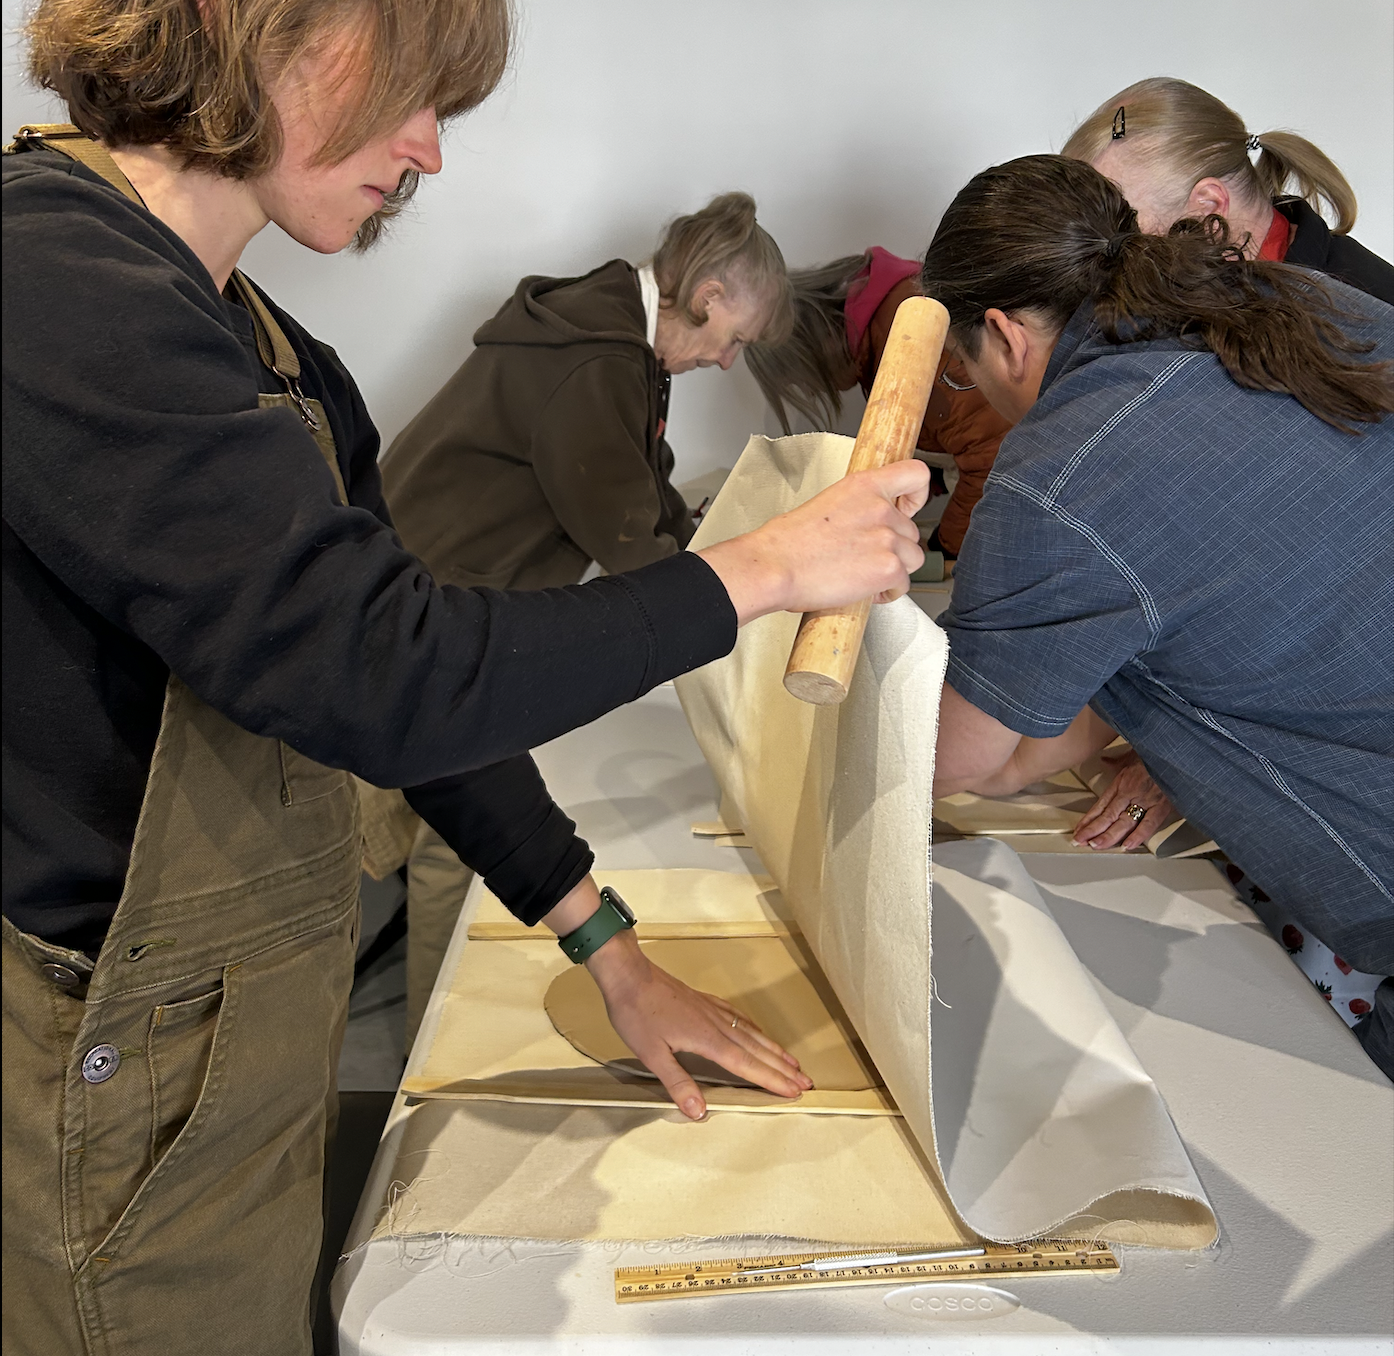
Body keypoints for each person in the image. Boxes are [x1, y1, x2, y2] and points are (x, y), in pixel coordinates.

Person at [0, 1, 930, 1350]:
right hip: (103, 1079)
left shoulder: (278, 359)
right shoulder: (49, 273)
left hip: (228, 1056)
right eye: (411, 89)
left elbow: (410, 695)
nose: (429, 150)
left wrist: (607, 949)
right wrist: (766, 570)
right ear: (252, 29)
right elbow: (386, 674)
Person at [919, 154, 1394, 1080]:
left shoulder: (1061, 471)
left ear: (1005, 336)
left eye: (964, 373)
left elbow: (951, 758)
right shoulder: (1301, 301)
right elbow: (1225, 591)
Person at [377, 192, 793, 1046]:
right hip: (432, 613)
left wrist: (730, 562)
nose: (727, 362)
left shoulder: (612, 339)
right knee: (453, 841)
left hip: (443, 595)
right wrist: (759, 596)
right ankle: (431, 1050)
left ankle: (431, 1028)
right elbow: (632, 545)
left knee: (451, 826)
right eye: (737, 339)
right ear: (709, 295)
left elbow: (643, 491)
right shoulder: (596, 361)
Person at [1060, 77, 1394, 858]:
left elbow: (1334, 588)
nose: (1099, 272)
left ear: (1210, 206)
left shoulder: (1360, 324)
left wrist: (1190, 755)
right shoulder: (1215, 296)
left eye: (1117, 237)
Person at [744, 248, 1011, 566]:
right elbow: (957, 429)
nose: (812, 390)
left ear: (813, 350)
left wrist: (943, 549)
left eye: (801, 380)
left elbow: (992, 460)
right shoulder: (886, 309)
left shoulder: (906, 335)